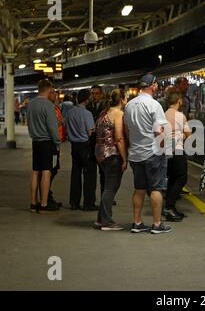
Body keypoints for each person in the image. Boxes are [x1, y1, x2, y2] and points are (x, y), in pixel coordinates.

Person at [124, 74, 172, 234]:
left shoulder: (129, 105)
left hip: (135, 154)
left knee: (139, 188)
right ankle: (157, 224)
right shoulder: (154, 105)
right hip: (153, 152)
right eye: (156, 84)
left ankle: (137, 222)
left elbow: (126, 130)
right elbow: (159, 131)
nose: (157, 86)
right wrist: (164, 148)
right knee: (157, 188)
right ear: (152, 85)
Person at [94, 89, 128, 231]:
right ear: (121, 100)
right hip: (112, 154)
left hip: (100, 153)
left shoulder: (104, 113)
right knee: (111, 188)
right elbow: (119, 138)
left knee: (108, 186)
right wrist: (125, 158)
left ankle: (101, 218)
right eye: (126, 98)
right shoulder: (119, 114)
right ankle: (107, 222)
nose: (127, 100)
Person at [27, 79, 60, 213]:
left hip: (35, 141)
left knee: (35, 171)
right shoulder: (48, 105)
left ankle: (33, 203)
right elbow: (53, 128)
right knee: (46, 171)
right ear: (48, 90)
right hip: (47, 142)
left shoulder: (30, 104)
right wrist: (57, 142)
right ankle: (44, 204)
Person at [66, 89, 98, 211]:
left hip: (74, 146)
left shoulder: (70, 112)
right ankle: (88, 203)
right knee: (90, 175)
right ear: (86, 99)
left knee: (75, 174)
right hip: (85, 146)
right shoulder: (87, 114)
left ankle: (74, 202)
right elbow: (90, 132)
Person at [164, 91, 192, 222]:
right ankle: (169, 206)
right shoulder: (181, 116)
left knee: (171, 178)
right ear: (179, 101)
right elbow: (188, 134)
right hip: (178, 150)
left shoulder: (163, 115)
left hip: (166, 150)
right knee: (181, 177)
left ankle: (170, 208)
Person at [47, 89, 66, 208]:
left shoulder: (55, 107)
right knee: (51, 170)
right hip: (53, 144)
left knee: (53, 169)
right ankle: (47, 197)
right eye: (53, 92)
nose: (56, 94)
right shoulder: (50, 108)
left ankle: (48, 195)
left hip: (56, 144)